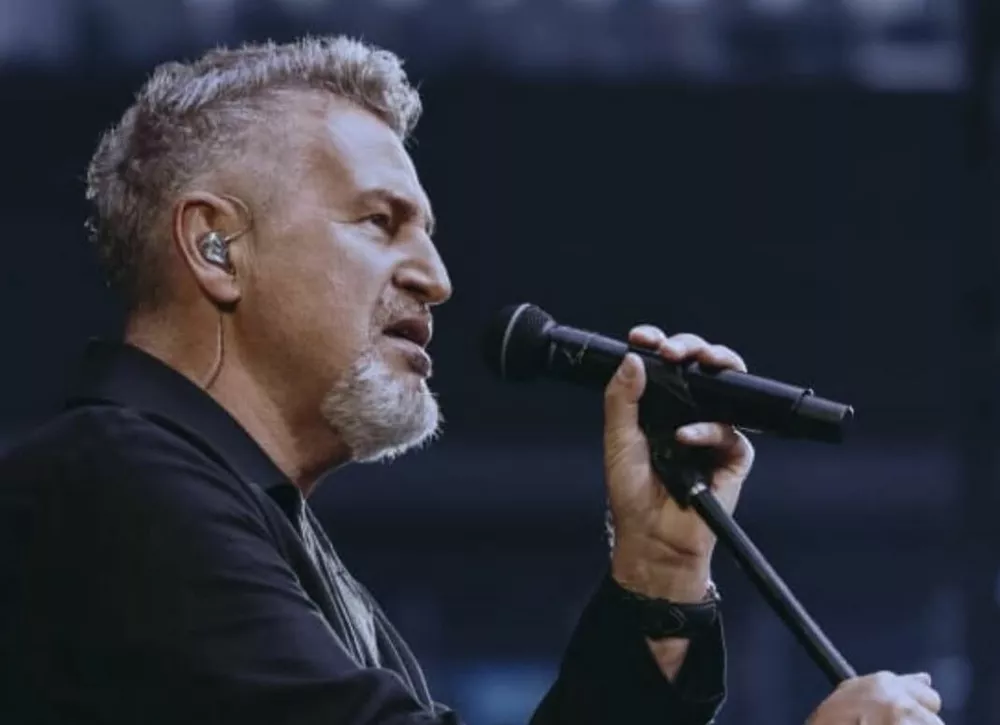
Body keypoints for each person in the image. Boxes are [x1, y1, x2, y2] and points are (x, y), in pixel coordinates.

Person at [0, 36, 943, 725]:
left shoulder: (221, 509)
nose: (437, 277)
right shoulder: (115, 482)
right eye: (380, 222)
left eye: (428, 232)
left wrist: (659, 568)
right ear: (217, 247)